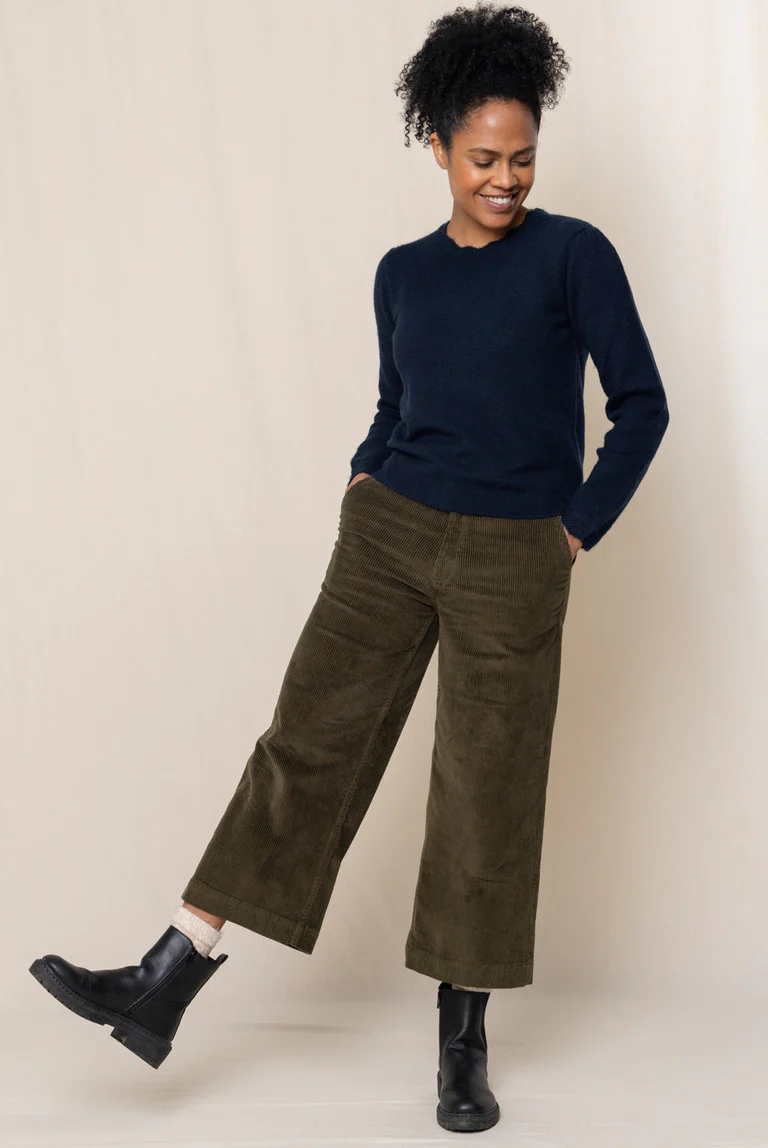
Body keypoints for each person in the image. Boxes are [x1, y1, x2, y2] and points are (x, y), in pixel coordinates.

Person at [29, 3, 669, 1135]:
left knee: (484, 791)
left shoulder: (575, 254)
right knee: (305, 741)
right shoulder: (401, 274)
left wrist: (572, 529)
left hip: (516, 553)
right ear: (437, 145)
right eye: (484, 158)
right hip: (389, 536)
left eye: (523, 157)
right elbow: (394, 402)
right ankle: (170, 970)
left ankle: (461, 1046)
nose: (506, 179)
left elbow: (642, 405)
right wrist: (365, 478)